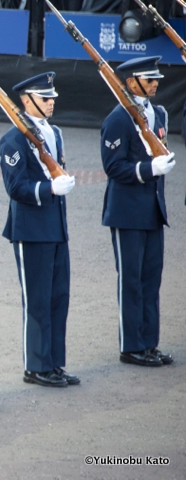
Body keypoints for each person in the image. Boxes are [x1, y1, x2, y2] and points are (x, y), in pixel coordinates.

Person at [0, 72, 80, 388]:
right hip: (31, 229)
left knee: (58, 297)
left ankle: (54, 363)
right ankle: (36, 366)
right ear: (26, 100)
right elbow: (16, 187)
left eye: (52, 98)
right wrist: (50, 189)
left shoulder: (54, 133)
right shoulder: (14, 139)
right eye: (46, 98)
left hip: (56, 227)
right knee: (37, 300)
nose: (51, 103)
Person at [100, 56, 175, 367]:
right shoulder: (118, 119)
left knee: (150, 279)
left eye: (156, 78)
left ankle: (149, 342)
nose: (155, 82)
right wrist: (148, 168)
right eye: (148, 78)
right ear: (131, 83)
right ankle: (131, 346)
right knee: (130, 280)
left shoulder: (158, 114)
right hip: (127, 211)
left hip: (152, 210)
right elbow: (113, 166)